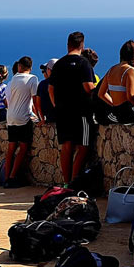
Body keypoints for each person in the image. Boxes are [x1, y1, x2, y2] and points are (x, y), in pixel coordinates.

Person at [48, 32, 96, 183]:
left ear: (68, 45)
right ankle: (75, 181)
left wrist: (56, 104)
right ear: (82, 46)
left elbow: (50, 88)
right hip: (81, 111)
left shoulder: (58, 64)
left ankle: (66, 182)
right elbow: (88, 88)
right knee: (84, 146)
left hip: (62, 111)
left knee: (67, 146)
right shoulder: (84, 63)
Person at [4, 56, 41, 187]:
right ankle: (13, 177)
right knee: (24, 148)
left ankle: (6, 178)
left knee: (11, 148)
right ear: (30, 67)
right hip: (23, 117)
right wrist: (41, 117)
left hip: (10, 117)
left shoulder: (12, 80)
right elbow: (35, 100)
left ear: (19, 67)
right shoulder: (32, 79)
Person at [97, 40, 134, 125]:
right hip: (127, 113)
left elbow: (101, 93)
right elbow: (130, 96)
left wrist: (114, 104)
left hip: (116, 112)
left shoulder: (111, 70)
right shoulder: (130, 70)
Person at [37, 58, 57, 125]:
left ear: (49, 70)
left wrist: (42, 119)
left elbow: (38, 104)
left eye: (45, 70)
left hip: (50, 119)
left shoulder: (42, 84)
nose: (44, 72)